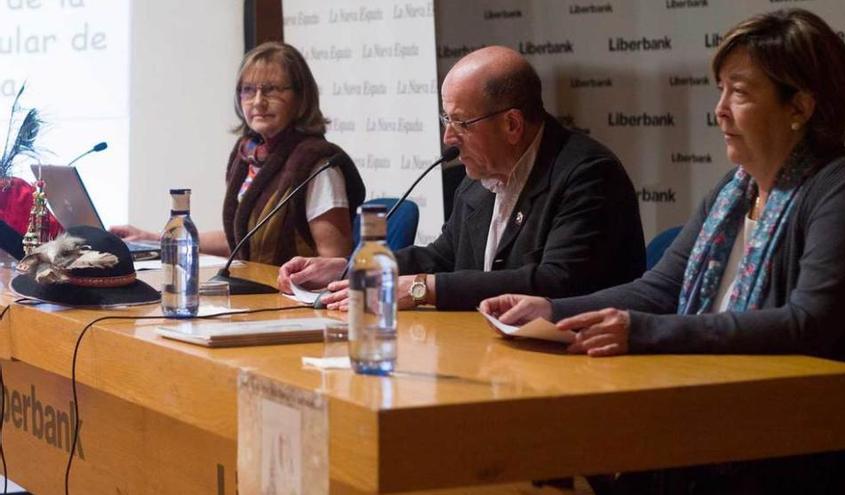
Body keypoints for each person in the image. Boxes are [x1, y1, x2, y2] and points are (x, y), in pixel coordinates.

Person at [481, 9, 845, 493]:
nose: (720, 110)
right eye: (720, 90)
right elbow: (661, 287)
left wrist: (645, 333)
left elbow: (806, 323)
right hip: (703, 413)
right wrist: (549, 311)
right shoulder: (734, 191)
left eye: (741, 91)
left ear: (801, 107)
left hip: (792, 445)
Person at [278, 45, 645, 311]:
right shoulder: (477, 179)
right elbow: (442, 256)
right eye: (446, 120)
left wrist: (423, 290)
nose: (448, 138)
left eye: (461, 123)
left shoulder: (587, 175)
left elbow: (556, 283)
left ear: (512, 124)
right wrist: (351, 267)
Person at [112, 42, 365, 265]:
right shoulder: (248, 155)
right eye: (248, 90)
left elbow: (336, 262)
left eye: (272, 89)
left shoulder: (317, 164)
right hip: (254, 293)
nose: (257, 101)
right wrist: (158, 240)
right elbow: (241, 240)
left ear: (301, 97)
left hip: (296, 303)